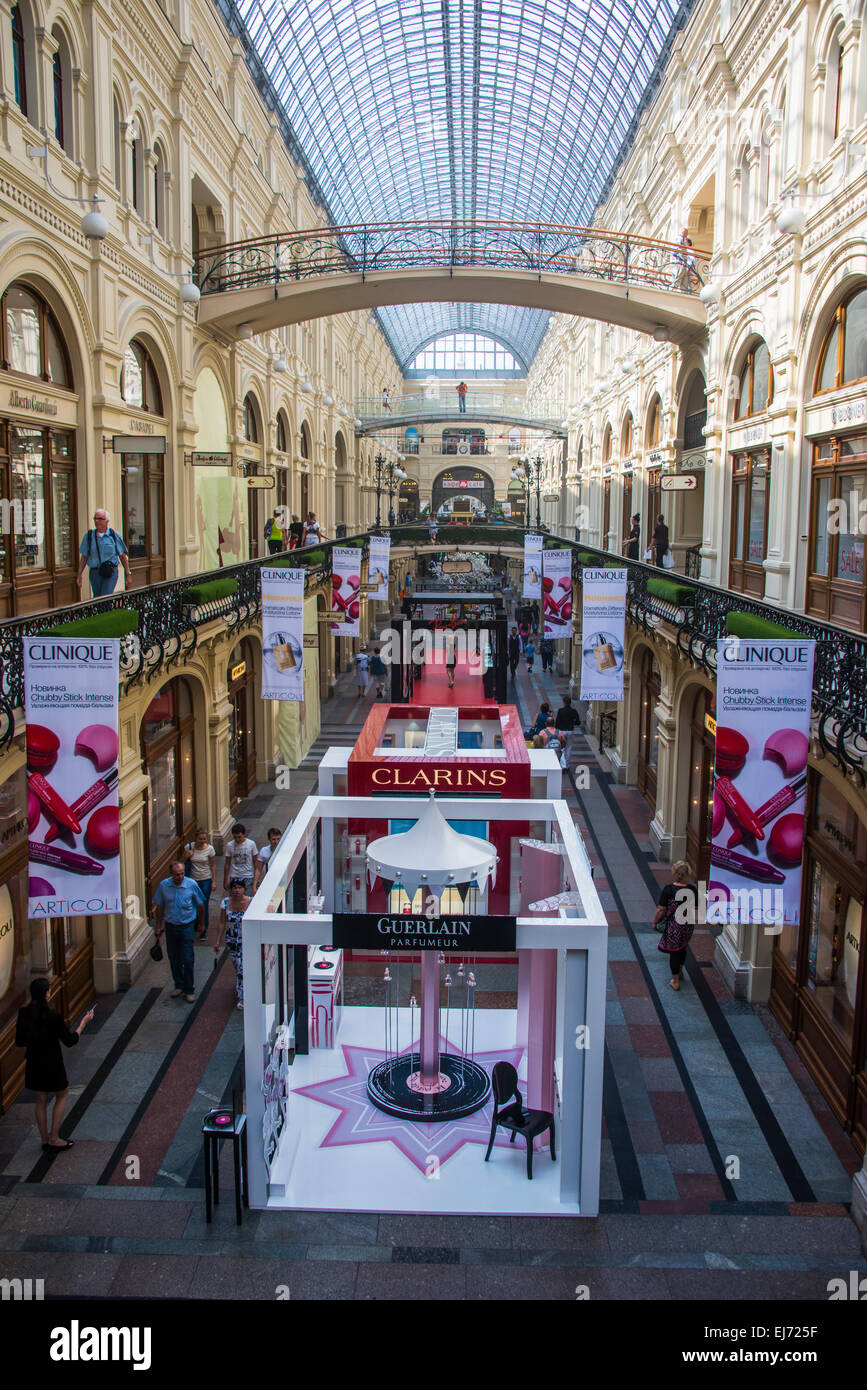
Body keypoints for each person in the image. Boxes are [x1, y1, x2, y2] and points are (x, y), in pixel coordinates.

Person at [15, 979, 94, 1150]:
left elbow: (19, 1042)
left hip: (34, 1061)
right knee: (62, 1094)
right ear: (46, 994)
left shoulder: (24, 1013)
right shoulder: (53, 1017)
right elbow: (70, 1040)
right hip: (52, 1062)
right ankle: (54, 1137)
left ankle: (44, 1140)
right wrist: (83, 1023)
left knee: (41, 1099)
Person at [153, 860, 205, 1003]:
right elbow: (160, 907)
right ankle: (179, 984)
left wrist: (202, 924)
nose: (180, 877)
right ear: (171, 874)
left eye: (182, 873)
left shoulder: (191, 885)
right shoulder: (164, 886)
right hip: (171, 926)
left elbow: (200, 905)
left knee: (187, 959)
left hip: (187, 926)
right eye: (177, 874)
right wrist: (159, 925)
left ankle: (189, 989)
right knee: (174, 957)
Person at [653, 860, 699, 991]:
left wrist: (655, 922)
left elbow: (661, 909)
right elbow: (697, 907)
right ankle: (679, 970)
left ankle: (675, 980)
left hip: (674, 926)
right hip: (687, 926)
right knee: (682, 947)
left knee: (674, 952)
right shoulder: (692, 890)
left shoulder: (669, 890)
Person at [76, 509, 132, 597]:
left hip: (110, 572)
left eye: (100, 519)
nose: (96, 521)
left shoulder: (114, 535)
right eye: (95, 519)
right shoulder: (89, 536)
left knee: (105, 596)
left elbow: (122, 556)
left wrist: (127, 573)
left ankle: (105, 610)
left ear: (107, 521)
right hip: (95, 573)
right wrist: (79, 574)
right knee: (97, 597)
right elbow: (84, 557)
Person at [215, 879, 251, 1009]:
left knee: (242, 967)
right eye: (234, 888)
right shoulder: (225, 903)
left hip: (245, 940)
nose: (237, 890)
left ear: (244, 889)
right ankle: (244, 986)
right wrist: (218, 941)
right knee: (238, 966)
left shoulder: (251, 902)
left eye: (239, 888)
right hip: (232, 940)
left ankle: (242, 997)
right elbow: (221, 922)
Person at [183, 828, 217, 939]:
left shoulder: (210, 849)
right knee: (192, 904)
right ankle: (194, 925)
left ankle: (203, 929)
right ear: (195, 838)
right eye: (200, 839)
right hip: (192, 881)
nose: (202, 841)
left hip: (206, 879)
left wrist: (214, 881)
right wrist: (187, 856)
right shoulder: (189, 847)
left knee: (203, 904)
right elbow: (180, 863)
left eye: (204, 839)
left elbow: (213, 865)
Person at [223, 823, 258, 895]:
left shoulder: (251, 844)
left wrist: (256, 880)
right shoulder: (229, 845)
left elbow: (256, 863)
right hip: (234, 876)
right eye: (235, 837)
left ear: (244, 834)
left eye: (239, 837)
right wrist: (225, 879)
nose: (237, 839)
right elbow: (227, 863)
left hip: (248, 876)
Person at [255, 826, 283, 891]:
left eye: (278, 839)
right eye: (273, 839)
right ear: (269, 839)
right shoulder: (264, 851)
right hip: (269, 881)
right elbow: (258, 869)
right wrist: (254, 886)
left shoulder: (285, 850)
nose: (276, 841)